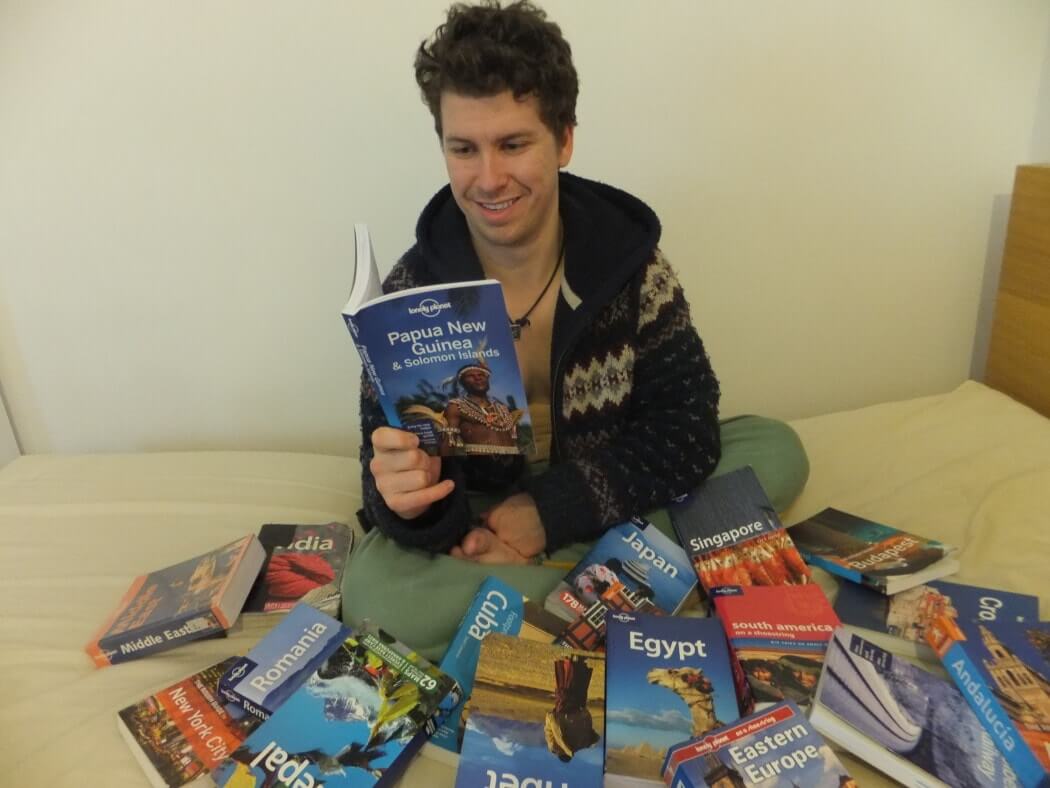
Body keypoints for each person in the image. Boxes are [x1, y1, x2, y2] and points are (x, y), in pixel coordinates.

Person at [344, 0, 809, 659]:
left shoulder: (630, 266)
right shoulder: (409, 295)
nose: (488, 178)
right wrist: (407, 500)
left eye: (513, 144)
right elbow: (380, 469)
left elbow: (687, 427)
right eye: (463, 149)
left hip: (601, 490)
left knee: (776, 446)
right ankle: (616, 579)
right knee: (377, 596)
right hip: (482, 516)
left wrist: (549, 515)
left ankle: (527, 588)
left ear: (563, 139)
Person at [439, 363, 520, 454]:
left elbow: (514, 440)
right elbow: (448, 443)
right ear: (462, 383)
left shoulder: (503, 409)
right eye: (470, 376)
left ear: (487, 379)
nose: (478, 378)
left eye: (481, 375)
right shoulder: (456, 407)